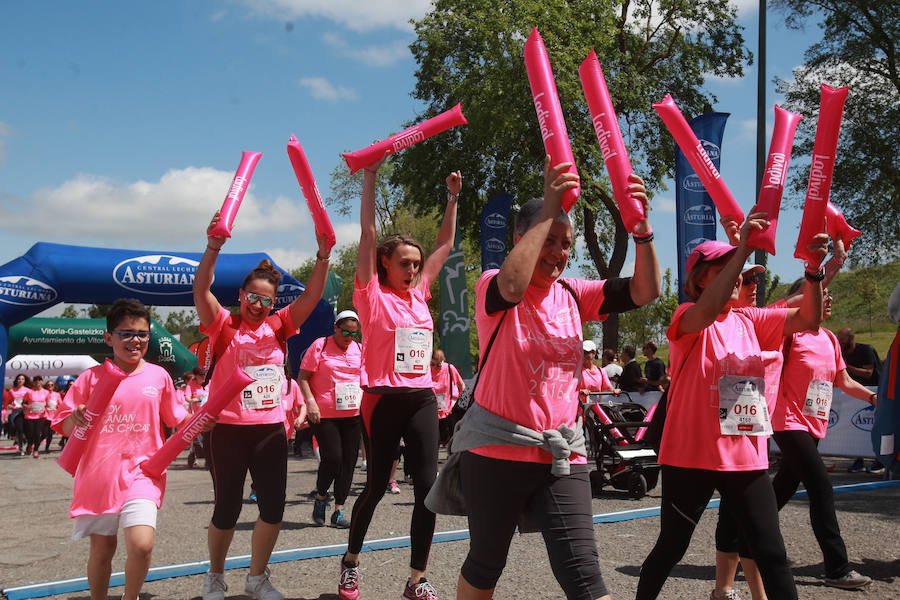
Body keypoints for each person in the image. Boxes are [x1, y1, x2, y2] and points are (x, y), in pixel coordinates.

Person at [447, 156, 659, 600]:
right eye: (550, 240)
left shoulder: (572, 293)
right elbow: (510, 288)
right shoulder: (494, 283)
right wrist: (549, 205)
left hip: (564, 453)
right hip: (497, 448)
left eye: (567, 244)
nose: (560, 253)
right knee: (486, 565)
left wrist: (642, 232)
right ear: (524, 238)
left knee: (585, 577)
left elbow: (644, 291)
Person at [635, 216, 828, 600]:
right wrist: (742, 249)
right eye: (732, 269)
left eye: (747, 274)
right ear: (703, 277)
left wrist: (814, 271)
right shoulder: (686, 318)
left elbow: (811, 317)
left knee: (772, 553)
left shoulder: (751, 320)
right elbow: (706, 312)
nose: (745, 279)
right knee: (671, 549)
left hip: (746, 458)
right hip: (691, 457)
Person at [338, 157, 461, 600]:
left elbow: (445, 244)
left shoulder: (420, 295)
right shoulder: (371, 296)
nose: (412, 270)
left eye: (416, 264)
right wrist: (370, 175)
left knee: (428, 488)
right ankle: (351, 562)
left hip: (422, 399)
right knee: (374, 488)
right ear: (384, 265)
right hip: (381, 399)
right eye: (404, 263)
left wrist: (452, 198)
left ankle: (416, 579)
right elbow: (368, 234)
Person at [195, 210, 330, 600]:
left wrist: (322, 257)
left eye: (266, 300)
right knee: (227, 510)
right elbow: (201, 289)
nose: (258, 305)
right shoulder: (222, 323)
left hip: (270, 430)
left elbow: (312, 297)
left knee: (273, 508)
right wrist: (213, 246)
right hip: (228, 432)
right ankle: (215, 577)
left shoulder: (280, 325)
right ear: (240, 296)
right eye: (252, 297)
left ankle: (256, 578)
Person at [52, 298, 190, 600]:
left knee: (142, 545)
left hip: (143, 474)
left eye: (142, 333)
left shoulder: (158, 376)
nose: (135, 340)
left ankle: (131, 597)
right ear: (108, 338)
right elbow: (61, 425)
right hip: (99, 477)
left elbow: (178, 418)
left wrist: (204, 420)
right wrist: (73, 419)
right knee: (103, 551)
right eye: (126, 333)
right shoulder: (91, 378)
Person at [771, 283, 874, 589]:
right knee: (821, 488)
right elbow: (773, 315)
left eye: (828, 294)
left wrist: (875, 399)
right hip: (788, 423)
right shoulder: (787, 334)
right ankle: (837, 568)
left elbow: (844, 380)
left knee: (781, 490)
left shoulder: (829, 338)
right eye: (820, 294)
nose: (827, 299)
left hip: (812, 425)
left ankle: (741, 543)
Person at [299, 309, 363, 529]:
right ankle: (321, 497)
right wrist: (311, 403)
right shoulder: (321, 345)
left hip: (353, 414)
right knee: (333, 458)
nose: (349, 338)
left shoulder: (359, 349)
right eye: (345, 333)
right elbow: (304, 378)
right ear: (335, 328)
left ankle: (338, 511)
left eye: (354, 334)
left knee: (349, 463)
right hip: (325, 414)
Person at [836, 327, 885, 473]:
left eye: (842, 340)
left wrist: (846, 368)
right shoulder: (843, 352)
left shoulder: (866, 350)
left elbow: (868, 373)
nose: (840, 343)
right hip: (857, 395)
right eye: (839, 340)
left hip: (875, 392)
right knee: (855, 428)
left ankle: (880, 460)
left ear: (851, 338)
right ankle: (859, 460)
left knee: (875, 427)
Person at [430, 348, 465, 446]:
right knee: (434, 440)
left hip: (448, 411)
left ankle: (451, 457)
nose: (435, 367)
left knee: (448, 438)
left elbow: (461, 385)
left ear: (443, 361)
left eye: (439, 365)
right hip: (431, 410)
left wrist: (459, 404)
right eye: (433, 364)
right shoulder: (427, 369)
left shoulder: (449, 368)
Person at [22, 375, 49, 458]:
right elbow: (23, 403)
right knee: (30, 433)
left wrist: (47, 405)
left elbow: (47, 403)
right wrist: (27, 406)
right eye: (35, 380)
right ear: (33, 383)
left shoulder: (46, 392)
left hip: (41, 415)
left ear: (42, 382)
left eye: (39, 380)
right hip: (30, 415)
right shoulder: (29, 392)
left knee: (37, 433)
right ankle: (30, 444)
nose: (37, 382)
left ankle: (36, 450)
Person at [5, 373, 29, 455]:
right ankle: (20, 447)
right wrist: (11, 406)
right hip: (16, 413)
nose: (20, 380)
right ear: (16, 380)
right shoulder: (12, 391)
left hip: (26, 412)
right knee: (19, 429)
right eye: (19, 379)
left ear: (25, 381)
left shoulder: (28, 390)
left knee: (26, 430)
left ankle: (26, 442)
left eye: (22, 379)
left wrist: (26, 405)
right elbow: (9, 402)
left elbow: (30, 401)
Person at [42, 379, 61, 452]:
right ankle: (35, 445)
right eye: (48, 385)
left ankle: (47, 448)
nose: (50, 386)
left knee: (50, 433)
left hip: (53, 416)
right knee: (44, 433)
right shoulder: (44, 393)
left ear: (54, 386)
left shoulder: (57, 394)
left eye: (52, 385)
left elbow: (60, 404)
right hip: (45, 415)